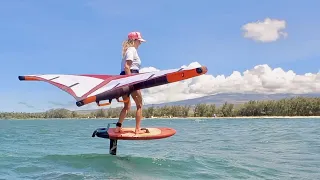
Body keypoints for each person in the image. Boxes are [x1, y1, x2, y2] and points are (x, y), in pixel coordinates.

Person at [115, 31, 146, 134]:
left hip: (123, 79)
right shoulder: (131, 50)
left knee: (127, 106)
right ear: (134, 40)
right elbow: (127, 67)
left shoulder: (127, 51)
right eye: (139, 41)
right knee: (139, 105)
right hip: (130, 78)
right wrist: (131, 82)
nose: (140, 43)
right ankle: (137, 129)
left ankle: (118, 127)